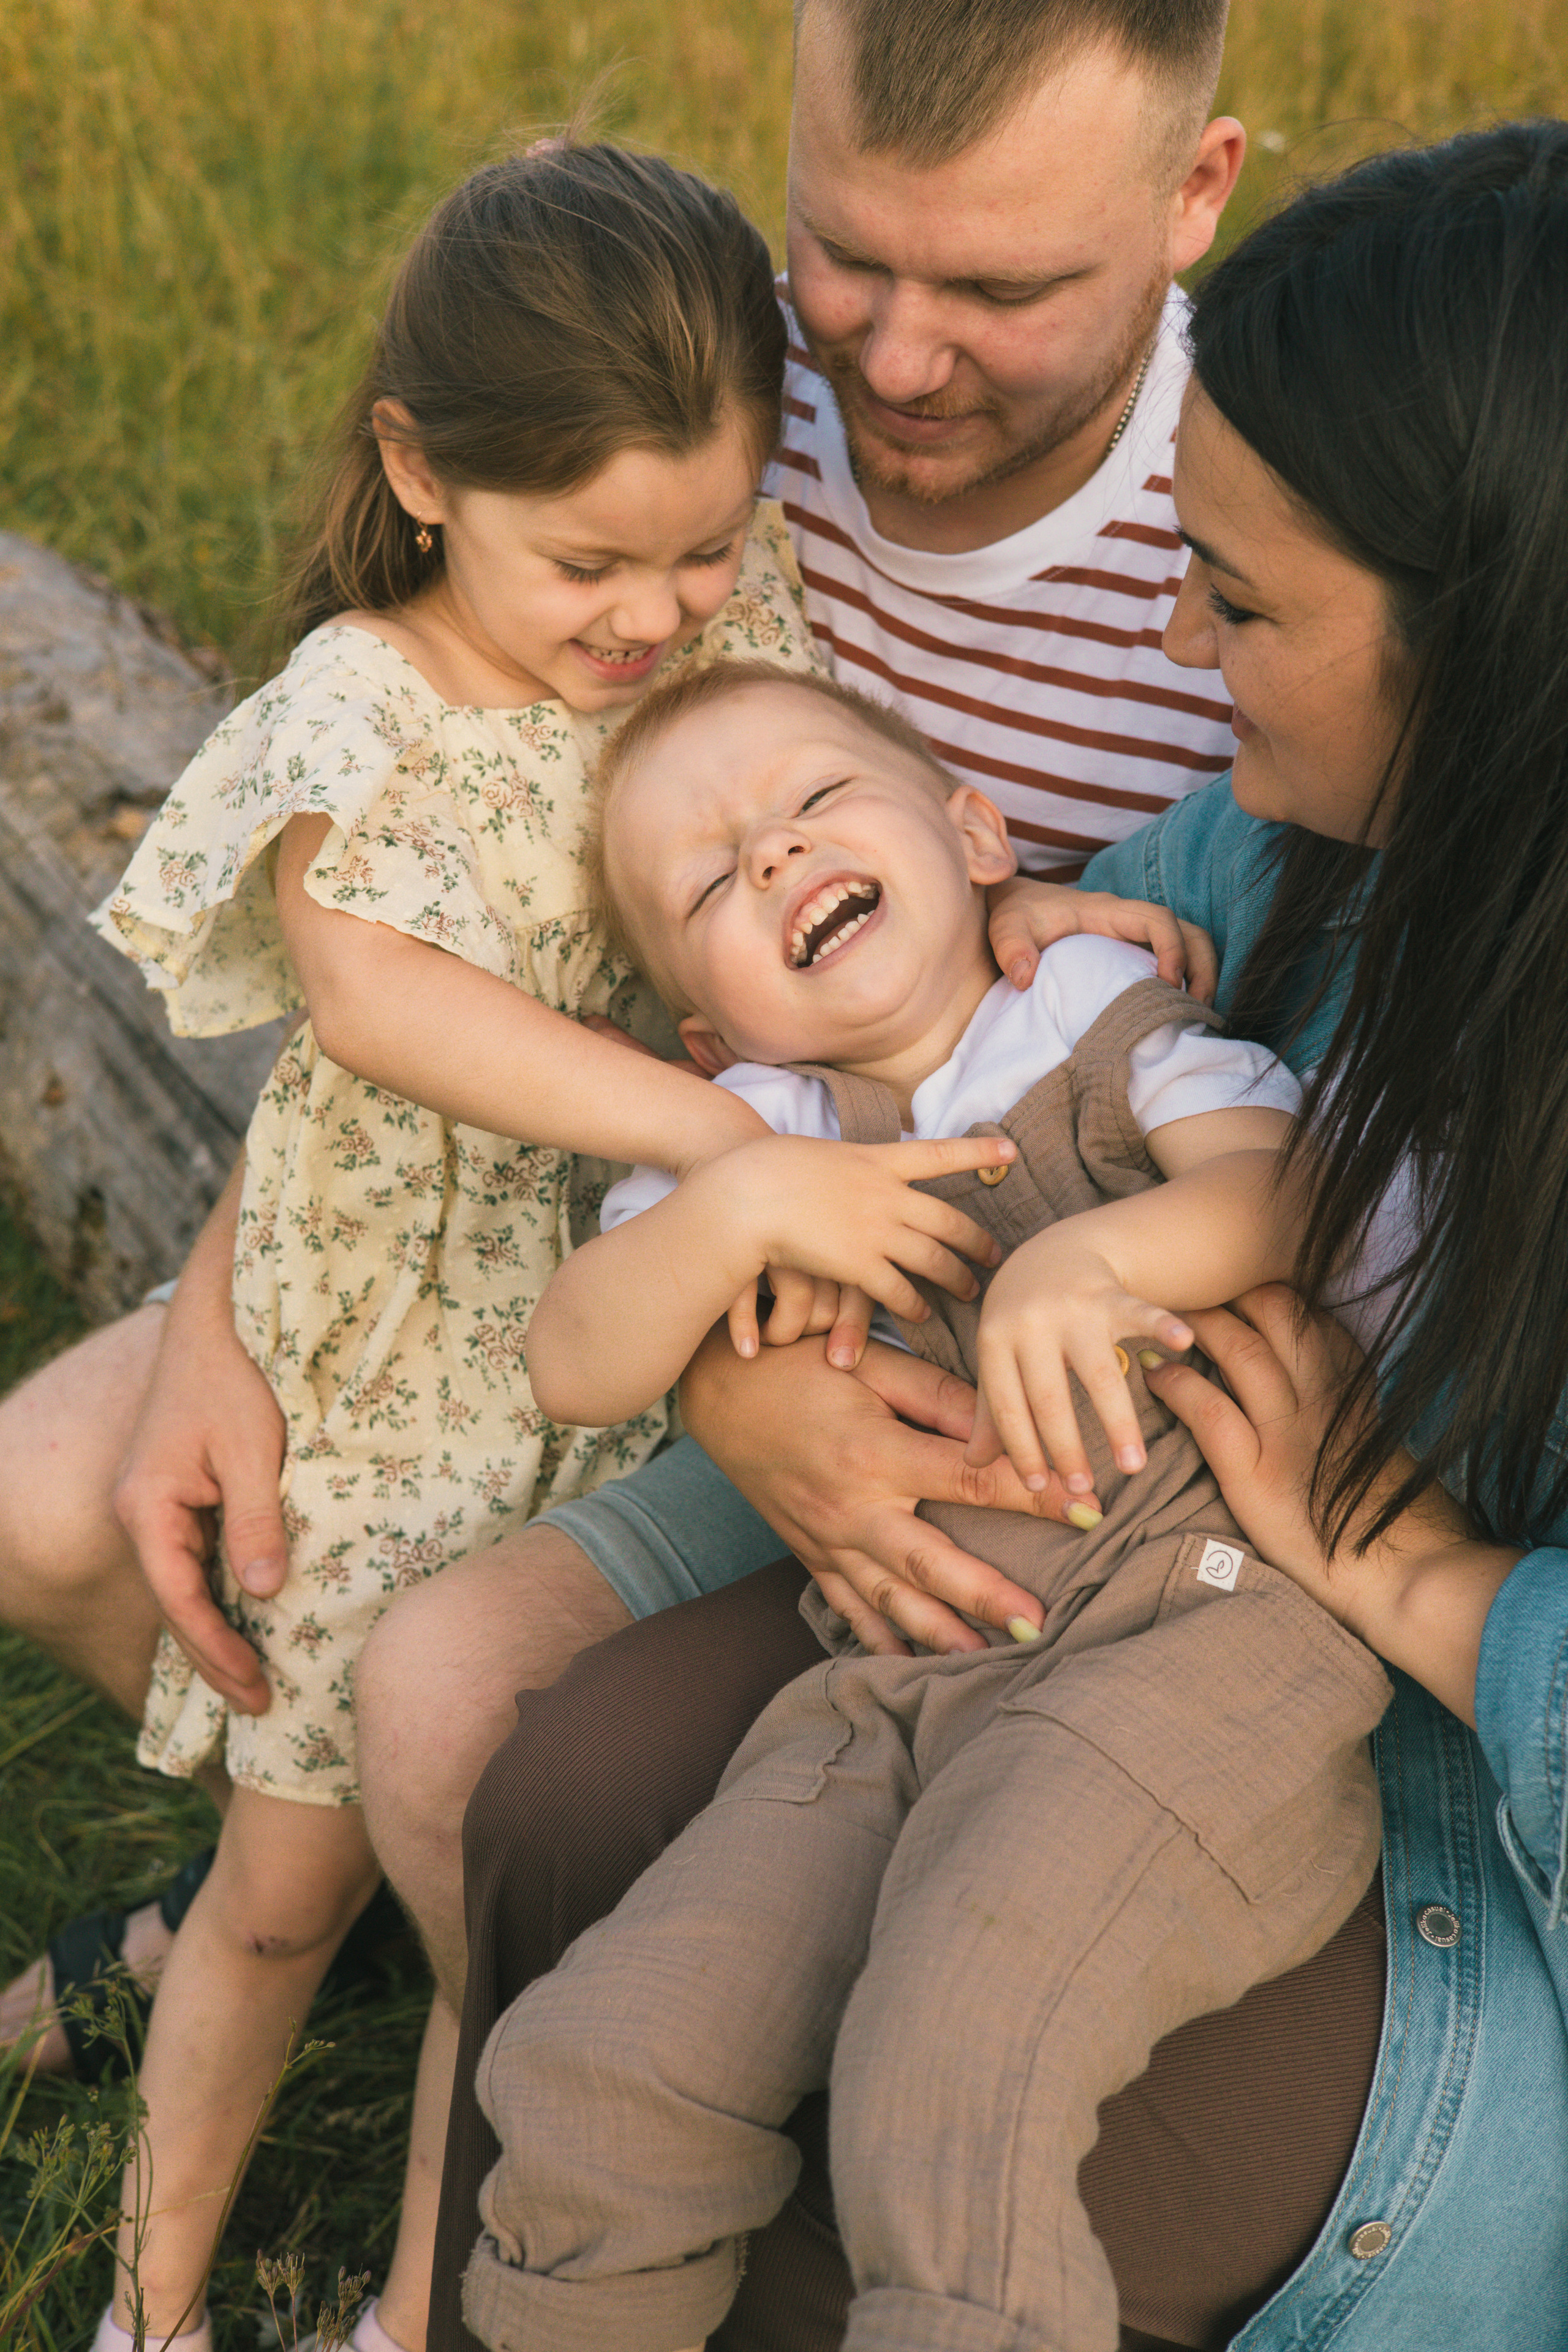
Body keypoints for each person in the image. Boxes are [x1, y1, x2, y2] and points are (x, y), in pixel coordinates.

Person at [0, 0, 1243, 2155]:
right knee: (54, 1502)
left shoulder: (1243, 509)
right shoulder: (718, 409)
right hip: (622, 1200)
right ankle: (380, 1899)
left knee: (465, 1685)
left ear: (1196, 195)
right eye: (847, 260)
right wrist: (223, 1309)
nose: (905, 363)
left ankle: (515, 1981)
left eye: (1008, 288)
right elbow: (420, 950)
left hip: (956, 1273)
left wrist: (1025, 913)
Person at [438, 122, 1568, 2351]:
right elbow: (984, 971)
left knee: (928, 2087)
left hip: (1387, 1783)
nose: (1175, 644)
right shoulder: (1287, 847)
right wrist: (752, 1373)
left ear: (1494, 640)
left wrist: (1413, 1573)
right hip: (1010, 1601)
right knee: (567, 1820)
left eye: (1236, 604)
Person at [58, 139, 843, 2352]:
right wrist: (719, 1134)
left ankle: (418, 2313)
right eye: (592, 557)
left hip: (623, 1357)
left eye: (703, 543)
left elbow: (818, 807)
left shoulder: (729, 606)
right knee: (287, 1891)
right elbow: (377, 998)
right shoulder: (361, 712)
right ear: (418, 467)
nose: (660, 608)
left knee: (513, 1892)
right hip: (396, 1372)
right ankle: (154, 2303)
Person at [461, 654, 1390, 2352]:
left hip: (1198, 1643)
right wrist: (735, 1216)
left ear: (975, 834)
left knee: (951, 2063)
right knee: (601, 2067)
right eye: (709, 877)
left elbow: (1296, 1192)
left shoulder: (1093, 1011)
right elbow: (577, 1361)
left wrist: (1091, 1255)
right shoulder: (760, 1134)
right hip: (901, 1687)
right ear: (711, 1032)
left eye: (813, 800)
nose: (771, 857)